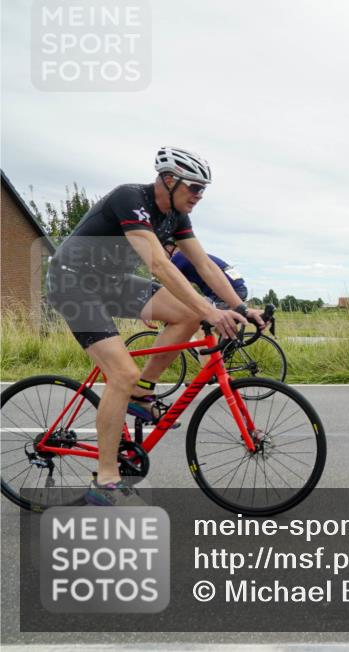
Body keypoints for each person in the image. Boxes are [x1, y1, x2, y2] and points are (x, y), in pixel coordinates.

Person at [45, 146, 267, 505]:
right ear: (168, 179)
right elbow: (160, 267)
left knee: (188, 313)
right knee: (122, 373)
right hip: (73, 283)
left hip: (111, 282)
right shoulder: (129, 198)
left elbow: (206, 266)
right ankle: (105, 478)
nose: (198, 196)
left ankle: (141, 392)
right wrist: (212, 312)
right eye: (194, 188)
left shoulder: (177, 216)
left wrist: (239, 306)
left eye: (203, 190)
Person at [163, 238, 248, 308]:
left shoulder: (179, 257)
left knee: (203, 319)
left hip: (226, 292)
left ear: (169, 247)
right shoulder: (189, 255)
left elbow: (170, 284)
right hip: (238, 288)